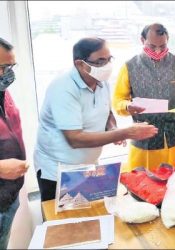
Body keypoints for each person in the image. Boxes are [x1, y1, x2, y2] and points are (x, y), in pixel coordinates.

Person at [34, 37, 158, 201]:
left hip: (88, 167)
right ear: (80, 64)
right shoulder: (63, 88)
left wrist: (113, 128)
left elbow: (107, 113)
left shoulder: (101, 82)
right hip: (57, 171)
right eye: (100, 61)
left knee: (91, 218)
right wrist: (125, 133)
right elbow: (75, 139)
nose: (107, 66)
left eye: (109, 59)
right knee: (62, 224)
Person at [113, 23, 175, 171]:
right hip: (143, 136)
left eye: (162, 46)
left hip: (174, 135)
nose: (158, 51)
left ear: (168, 40)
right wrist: (127, 106)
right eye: (152, 47)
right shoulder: (129, 66)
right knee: (142, 184)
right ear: (142, 40)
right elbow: (118, 100)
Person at [0, 37, 28, 249]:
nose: (9, 73)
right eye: (3, 67)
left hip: (8, 196)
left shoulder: (3, 92)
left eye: (11, 66)